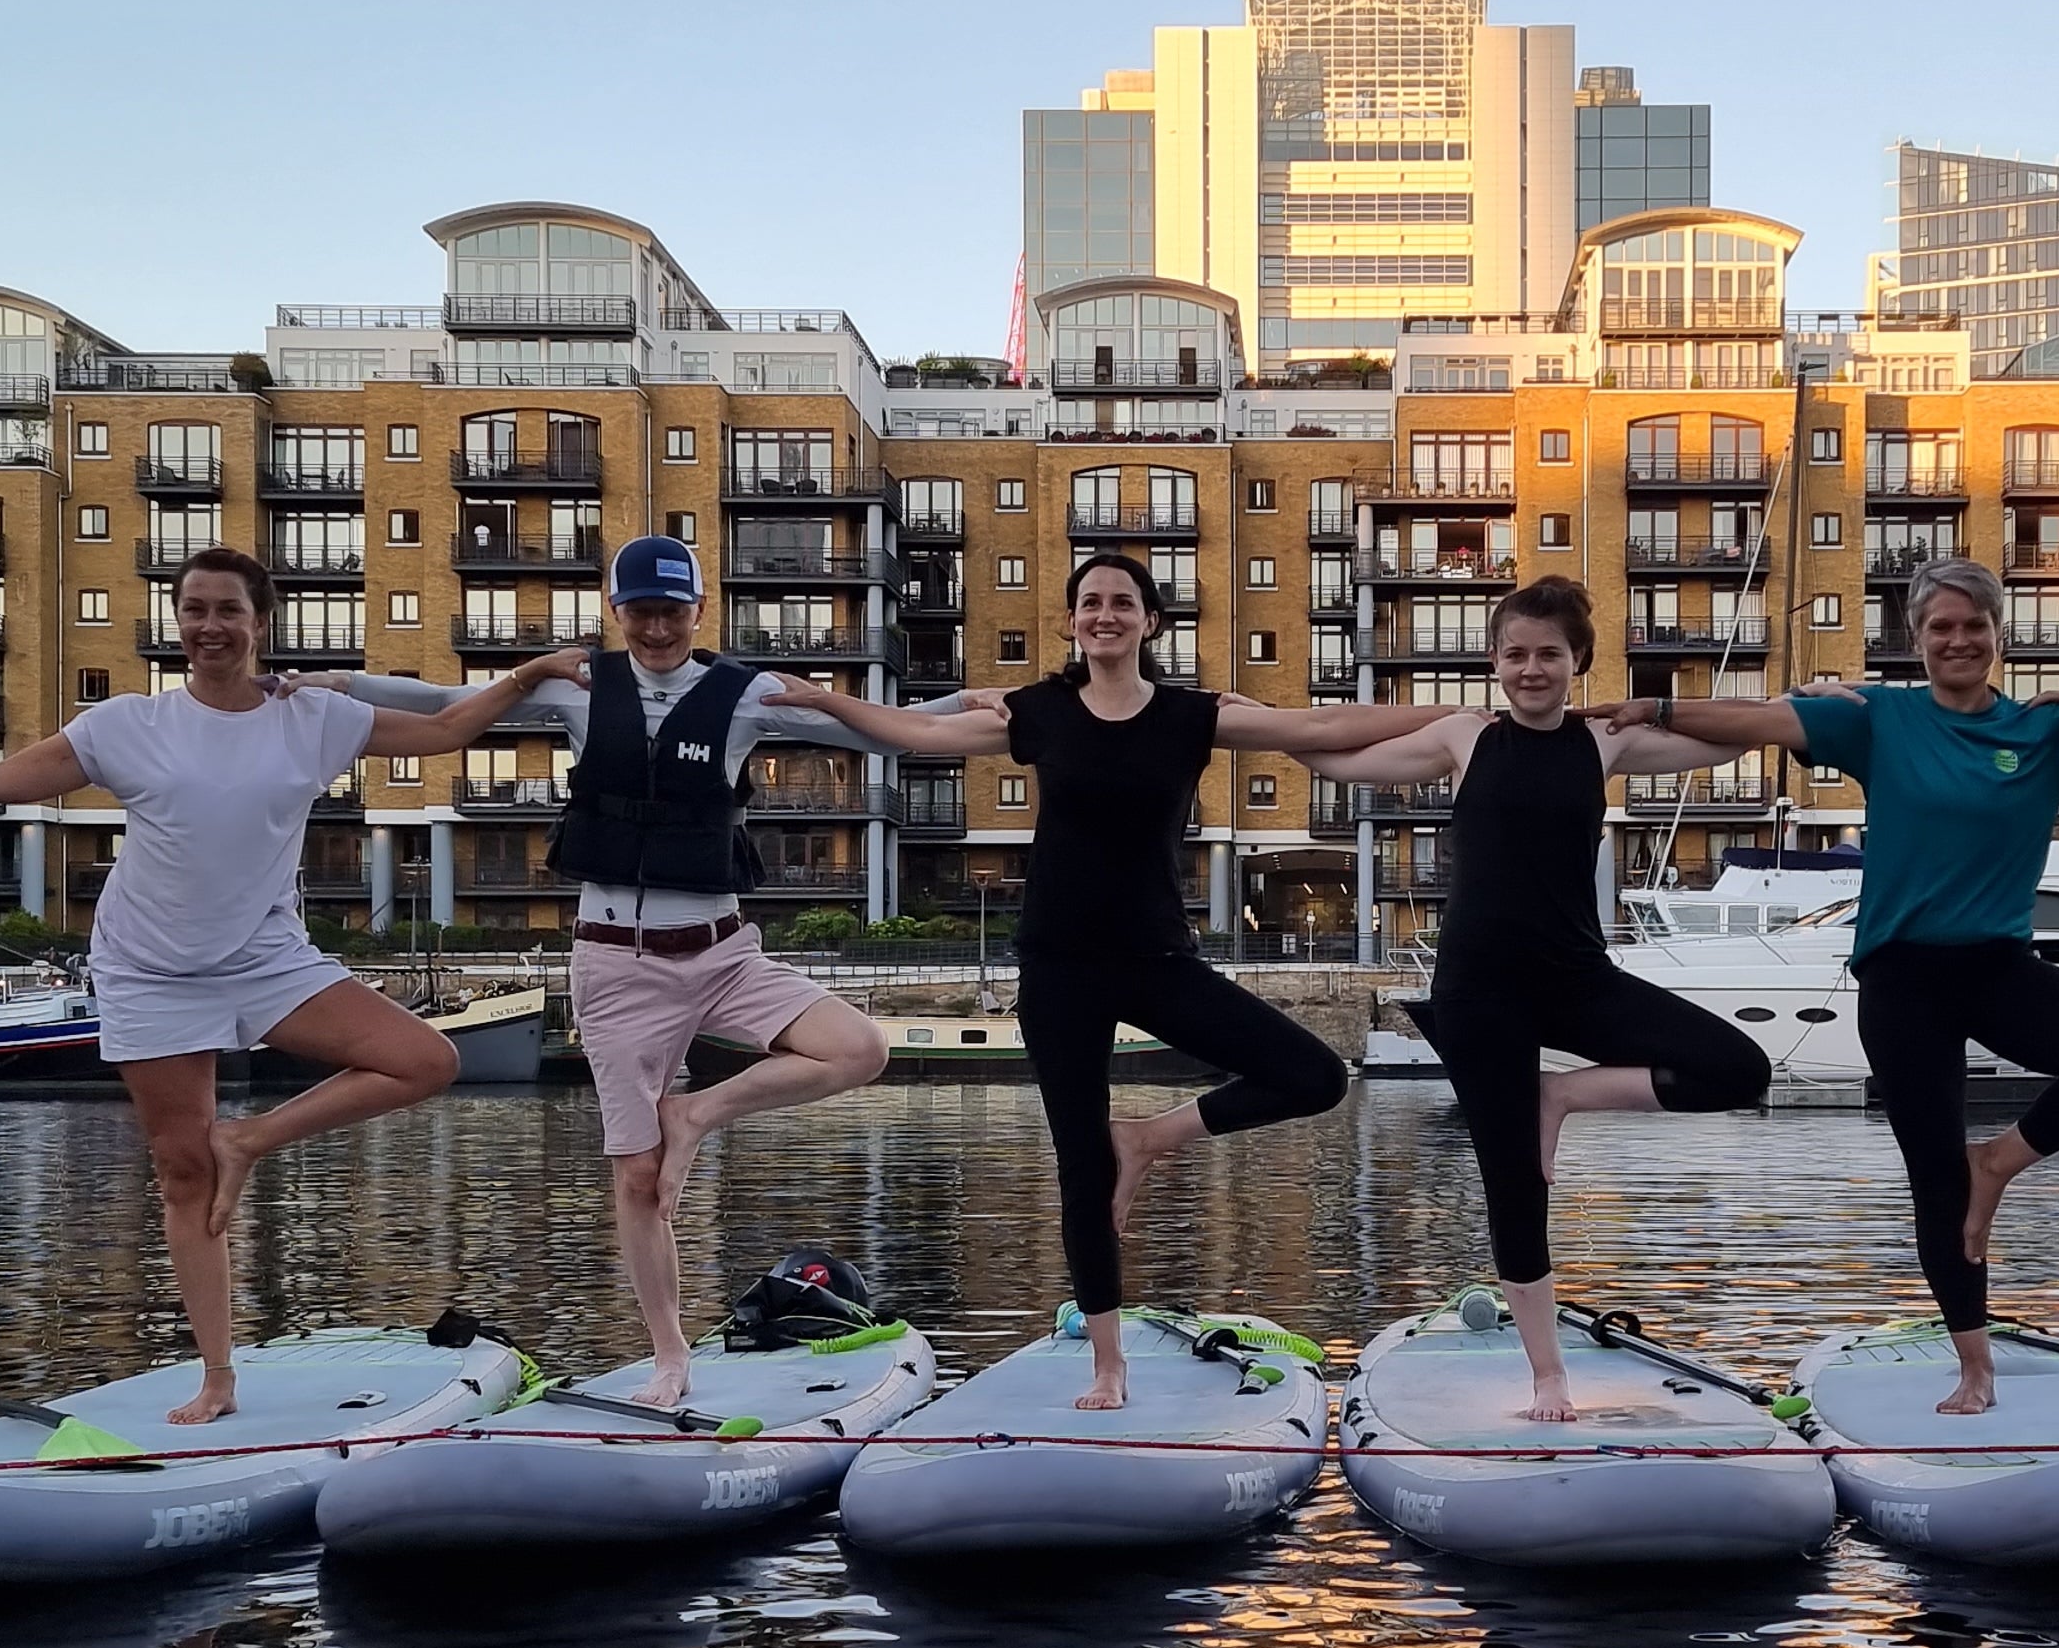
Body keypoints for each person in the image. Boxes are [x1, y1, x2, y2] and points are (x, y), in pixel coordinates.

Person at [0, 550, 575, 1422]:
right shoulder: (126, 724)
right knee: (181, 1173)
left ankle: (252, 1140)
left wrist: (531, 671)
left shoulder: (311, 717)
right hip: (150, 971)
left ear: (259, 622)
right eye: (193, 610)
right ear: (178, 621)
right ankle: (218, 1377)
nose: (208, 627)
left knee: (423, 1059)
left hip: (267, 960)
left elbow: (448, 730)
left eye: (227, 610)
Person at [766, 550, 1411, 1408]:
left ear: (1151, 621)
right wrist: (822, 698)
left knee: (1314, 1074)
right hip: (1060, 967)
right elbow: (916, 733)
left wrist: (1482, 711)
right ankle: (1107, 1364)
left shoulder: (1194, 716)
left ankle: (1146, 1137)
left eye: (1122, 602)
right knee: (1079, 1163)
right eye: (1089, 603)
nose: (1104, 615)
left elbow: (1323, 729)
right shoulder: (1039, 712)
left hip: (1157, 959)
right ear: (1073, 620)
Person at [1655, 559, 2059, 1413]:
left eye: (1973, 626)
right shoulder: (1881, 718)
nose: (1958, 640)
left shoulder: (2046, 730)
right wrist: (1653, 707)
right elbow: (1759, 720)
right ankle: (1974, 1367)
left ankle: (2000, 1161)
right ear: (1916, 641)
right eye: (1940, 628)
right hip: (1901, 976)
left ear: (1997, 636)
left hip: (1996, 968)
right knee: (1931, 1178)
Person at [340, 535, 890, 1405]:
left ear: (700, 610)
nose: (658, 626)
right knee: (638, 1178)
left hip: (721, 951)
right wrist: (327, 685)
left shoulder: (745, 695)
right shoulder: (579, 686)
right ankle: (671, 1356)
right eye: (641, 610)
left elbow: (887, 729)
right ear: (617, 611)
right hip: (615, 964)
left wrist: (1005, 707)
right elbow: (446, 700)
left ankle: (696, 1111)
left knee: (858, 1049)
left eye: (674, 609)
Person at [1301, 575, 1771, 1421]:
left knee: (1738, 1068)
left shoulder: (1604, 745)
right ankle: (1547, 1373)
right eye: (1515, 653)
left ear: (1577, 660)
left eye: (1548, 654)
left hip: (1578, 977)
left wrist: (1666, 706)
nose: (1531, 668)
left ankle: (1562, 1093)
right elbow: (1343, 758)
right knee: (1515, 1185)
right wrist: (1268, 733)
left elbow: (1726, 743)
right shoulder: (1464, 736)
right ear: (1494, 660)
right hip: (1480, 989)